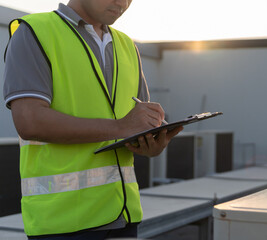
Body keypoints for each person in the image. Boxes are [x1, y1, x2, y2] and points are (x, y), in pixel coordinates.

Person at [2, 0, 183, 239]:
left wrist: (151, 145)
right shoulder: (34, 32)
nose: (123, 2)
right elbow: (29, 121)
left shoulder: (126, 45)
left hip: (123, 215)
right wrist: (121, 126)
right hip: (63, 223)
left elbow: (134, 126)